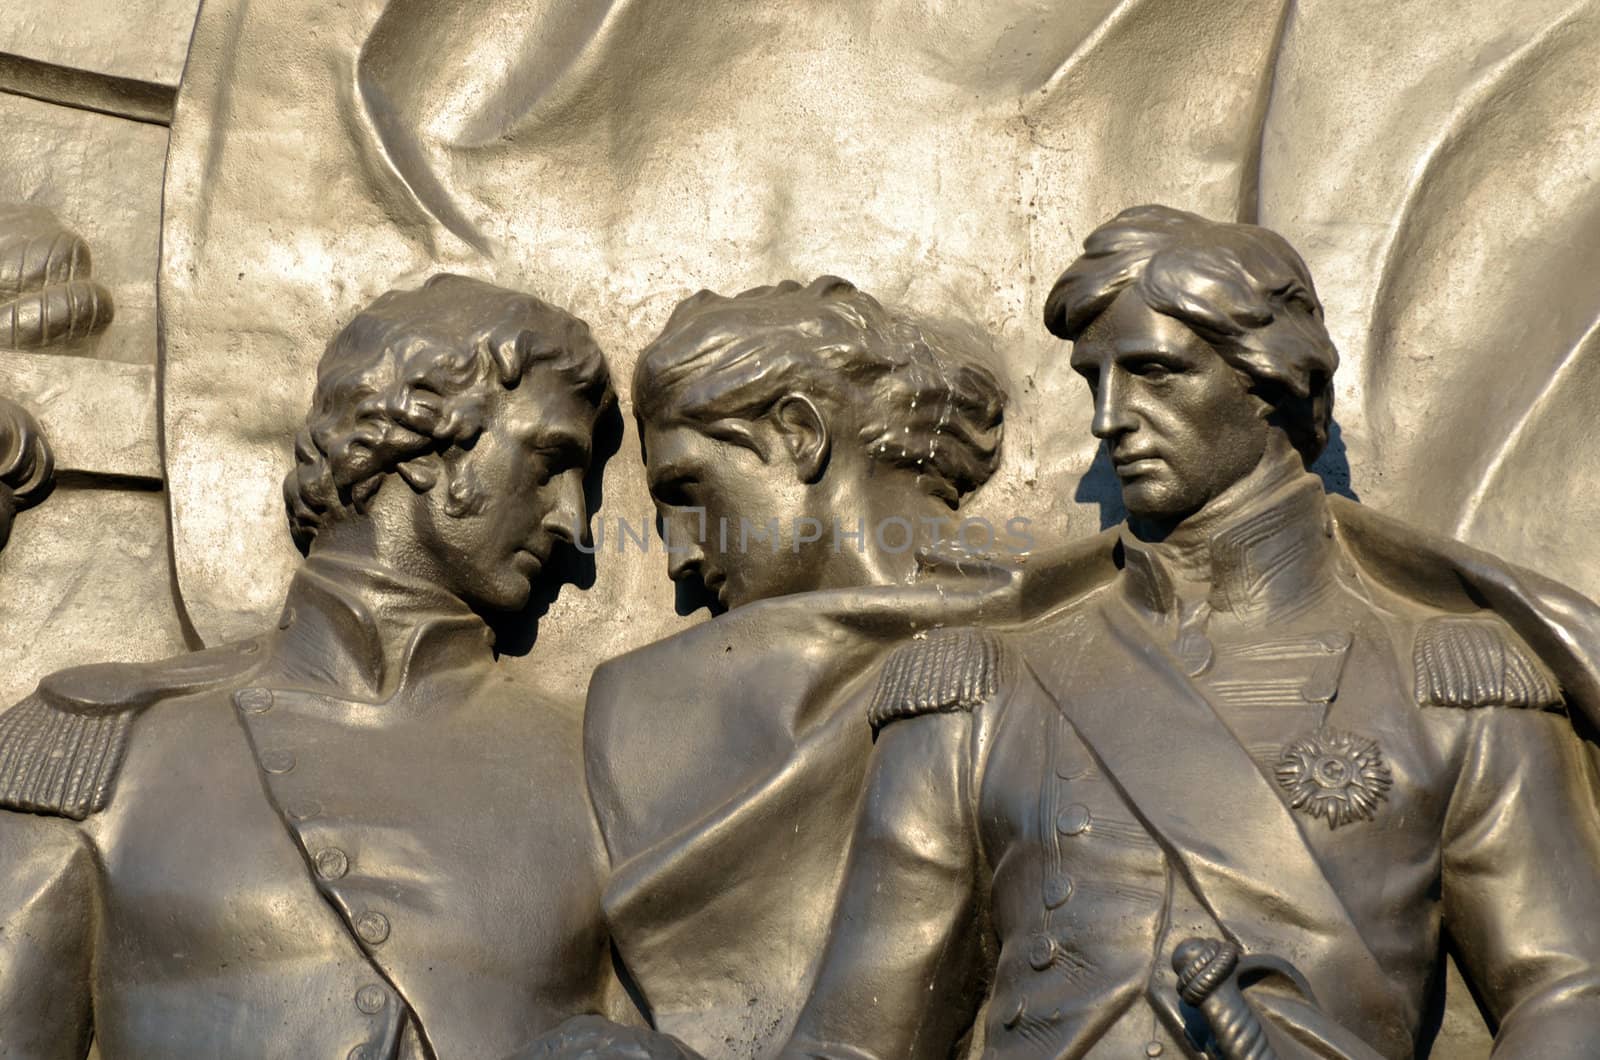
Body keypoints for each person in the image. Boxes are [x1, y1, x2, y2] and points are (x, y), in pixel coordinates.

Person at [778, 206, 1600, 1059]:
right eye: (1093, 379)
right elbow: (856, 1038)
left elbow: (1570, 990)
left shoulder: (1451, 681)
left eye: (1154, 373)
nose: (1109, 418)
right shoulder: (981, 693)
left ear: (1268, 378)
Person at [0, 274, 634, 1058]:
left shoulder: (598, 773)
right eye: (549, 461)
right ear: (426, 436)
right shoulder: (95, 747)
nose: (574, 522)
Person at [582, 276, 1015, 1055]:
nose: (678, 554)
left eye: (687, 489)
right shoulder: (641, 712)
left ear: (798, 433)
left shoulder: (1061, 640)